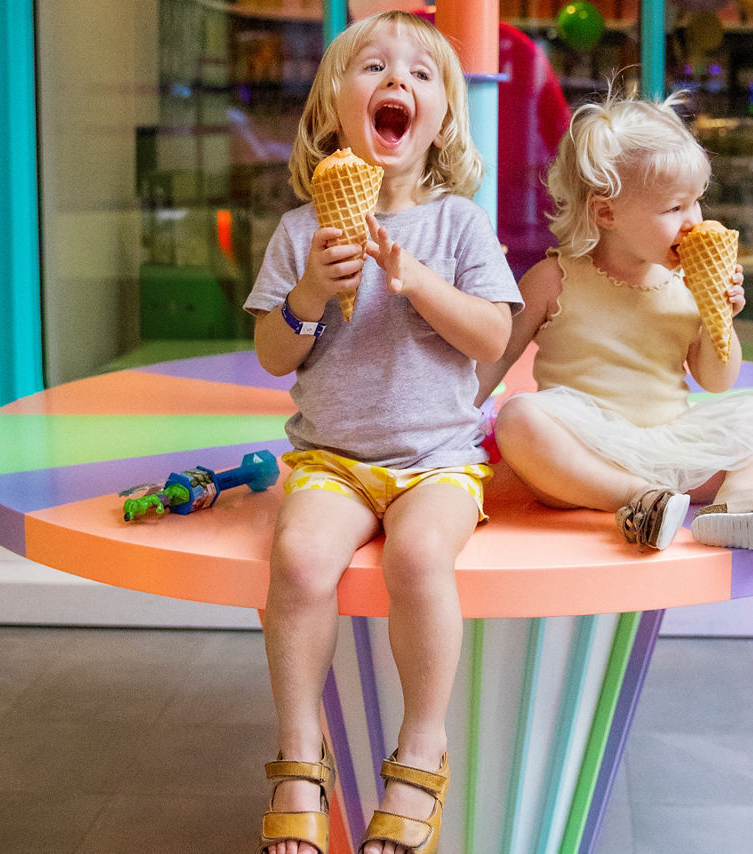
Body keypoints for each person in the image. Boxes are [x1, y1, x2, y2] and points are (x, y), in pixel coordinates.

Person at [243, 12, 522, 854]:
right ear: (334, 108)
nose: (397, 81)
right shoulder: (301, 233)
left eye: (422, 75)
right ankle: (299, 755)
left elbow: (492, 338)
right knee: (295, 560)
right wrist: (309, 300)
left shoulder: (459, 226)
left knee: (419, 558)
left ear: (439, 124)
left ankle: (422, 747)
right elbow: (271, 353)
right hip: (332, 458)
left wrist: (417, 282)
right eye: (373, 66)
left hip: (437, 457)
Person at [476, 92, 753, 552]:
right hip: (585, 453)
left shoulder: (686, 284)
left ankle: (740, 504)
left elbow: (717, 381)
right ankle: (637, 501)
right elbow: (497, 354)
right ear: (606, 213)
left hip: (669, 446)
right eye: (673, 208)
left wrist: (716, 316)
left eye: (696, 203)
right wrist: (447, 421)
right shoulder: (555, 277)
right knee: (520, 418)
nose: (693, 221)